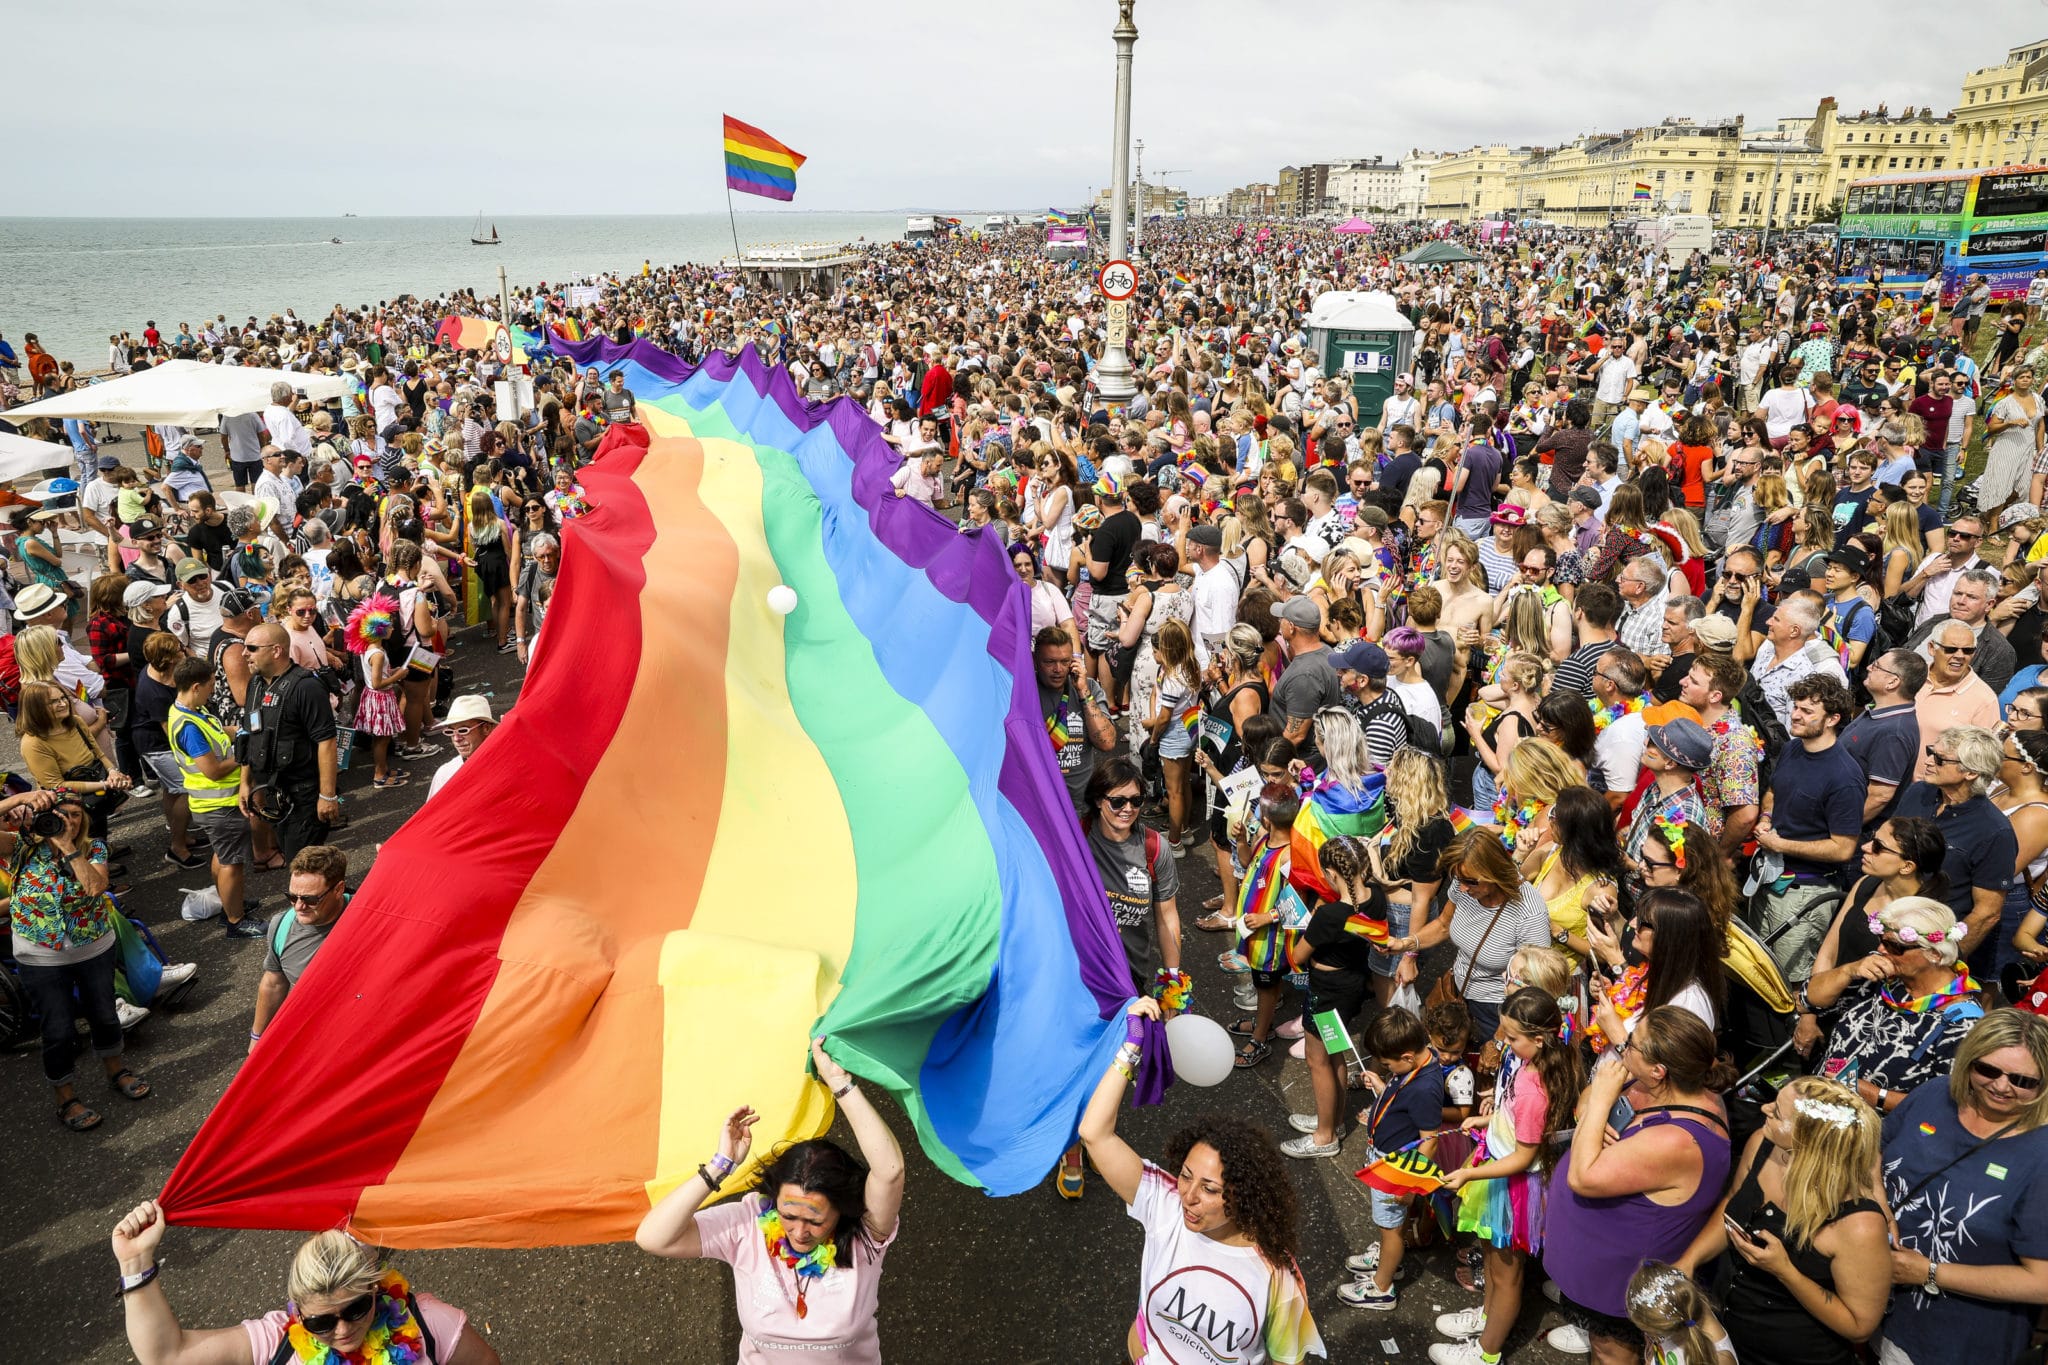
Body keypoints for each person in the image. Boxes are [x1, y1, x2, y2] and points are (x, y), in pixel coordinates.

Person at [1077, 997, 1326, 1365]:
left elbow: (1288, 1359)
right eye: (1185, 1176)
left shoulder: (1275, 1273)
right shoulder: (1164, 1205)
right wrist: (1130, 1046)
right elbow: (1094, 1133)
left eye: (1210, 1189)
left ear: (1244, 1194)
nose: (1188, 1197)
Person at [635, 1037, 905, 1363]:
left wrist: (840, 1083)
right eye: (788, 1215)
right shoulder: (747, 1225)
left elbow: (889, 1171)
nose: (800, 1231)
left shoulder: (867, 1236)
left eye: (815, 1220)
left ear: (842, 1210)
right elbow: (652, 1238)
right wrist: (720, 1165)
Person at [1543, 1007, 1735, 1364]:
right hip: (1597, 1263)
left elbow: (1583, 1177)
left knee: (1612, 1354)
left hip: (1620, 1279)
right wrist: (1594, 1115)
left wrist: (1601, 1099)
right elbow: (1584, 1103)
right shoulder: (1659, 1086)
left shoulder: (1678, 1140)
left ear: (1659, 1070)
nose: (1623, 1046)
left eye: (1631, 1043)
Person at [110, 1201, 500, 1364]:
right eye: (321, 1323)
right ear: (299, 1313)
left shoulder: (429, 1323)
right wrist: (135, 1262)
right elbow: (166, 1355)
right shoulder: (276, 1340)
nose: (344, 1330)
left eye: (356, 1309)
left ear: (375, 1289)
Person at [1677, 1075, 1890, 1365]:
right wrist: (1690, 1260)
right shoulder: (1763, 1144)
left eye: (1776, 1112)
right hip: (1729, 1331)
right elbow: (1733, 1203)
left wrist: (1785, 1271)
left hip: (1795, 1355)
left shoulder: (1859, 1222)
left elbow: (1859, 1326)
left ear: (1807, 1138)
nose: (1764, 1109)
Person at [1879, 1008, 2048, 1365]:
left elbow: (2042, 1282)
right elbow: (1871, 1157)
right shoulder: (1935, 1095)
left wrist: (1929, 1272)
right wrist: (1880, 1208)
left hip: (1950, 1343)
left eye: (2022, 1081)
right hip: (1869, 1304)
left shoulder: (2042, 1155)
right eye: (1987, 1070)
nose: (2002, 1086)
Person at [1430, 987, 1585, 1365]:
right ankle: (1486, 1320)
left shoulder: (1535, 1089)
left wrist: (1469, 1174)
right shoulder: (1533, 1065)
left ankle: (1486, 1352)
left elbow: (1523, 1156)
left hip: (1511, 1187)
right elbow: (1515, 1123)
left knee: (1506, 1275)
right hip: (1497, 1172)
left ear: (1539, 1038)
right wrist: (1487, 1119)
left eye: (1512, 1037)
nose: (1505, 1043)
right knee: (1492, 1262)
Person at [4, 786, 155, 1132]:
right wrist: (16, 800)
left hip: (93, 949)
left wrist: (68, 847)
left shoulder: (94, 847)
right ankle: (66, 1098)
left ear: (84, 819)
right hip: (38, 956)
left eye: (75, 815)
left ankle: (115, 1070)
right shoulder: (21, 848)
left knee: (104, 1015)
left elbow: (94, 887)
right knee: (57, 1030)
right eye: (60, 816)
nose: (67, 821)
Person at [1807, 895, 1984, 1116]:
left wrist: (1870, 1093)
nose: (1881, 949)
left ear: (1934, 954)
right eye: (1881, 940)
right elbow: (1807, 1000)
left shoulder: (1962, 1023)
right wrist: (1848, 970)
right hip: (1817, 1102)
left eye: (1894, 946)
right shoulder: (1881, 975)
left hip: (1873, 1131)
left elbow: (1946, 1106)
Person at [1384, 827, 1551, 1042]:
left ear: (1494, 872)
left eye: (1470, 881)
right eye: (1457, 878)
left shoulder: (1529, 912)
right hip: (1458, 995)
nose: (1462, 888)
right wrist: (1405, 944)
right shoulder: (1466, 878)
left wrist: (1501, 1038)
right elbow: (1444, 924)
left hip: (1497, 1012)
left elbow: (1534, 988)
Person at [1754, 674, 1866, 982]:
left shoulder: (1845, 777)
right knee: (1758, 971)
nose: (1795, 715)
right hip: (1769, 879)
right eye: (1796, 707)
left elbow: (1843, 848)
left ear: (1833, 719)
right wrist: (1766, 818)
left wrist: (1781, 845)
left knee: (1789, 978)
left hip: (1805, 893)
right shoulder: (1793, 748)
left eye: (1807, 711)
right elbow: (1775, 792)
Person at [1337, 1004, 1447, 1310]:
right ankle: (1388, 1258)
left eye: (1388, 1064)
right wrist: (1384, 1085)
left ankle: (1382, 1287)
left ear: (1408, 1057)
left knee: (1391, 1227)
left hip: (1396, 1169)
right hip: (1387, 1159)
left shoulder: (1425, 1087)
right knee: (1388, 1223)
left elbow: (1430, 1142)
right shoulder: (1414, 1069)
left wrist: (1410, 1187)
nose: (1386, 1067)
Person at [1895, 726, 2018, 972]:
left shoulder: (1994, 831)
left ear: (1971, 772)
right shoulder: (1918, 792)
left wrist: (1945, 958)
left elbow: (1987, 912)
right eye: (1931, 752)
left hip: (1933, 942)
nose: (1929, 761)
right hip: (1887, 920)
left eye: (1940, 759)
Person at [165, 655, 264, 936]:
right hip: (219, 805)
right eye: (210, 685)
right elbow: (213, 771)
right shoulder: (190, 727)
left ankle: (231, 904)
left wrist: (242, 732)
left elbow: (220, 732)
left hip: (214, 806)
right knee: (233, 864)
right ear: (196, 686)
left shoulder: (192, 712)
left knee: (222, 856)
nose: (214, 689)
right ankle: (235, 920)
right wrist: (247, 752)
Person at [237, 622, 340, 862]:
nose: (244, 654)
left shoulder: (306, 687)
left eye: (251, 648)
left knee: (302, 862)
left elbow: (326, 742)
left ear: (276, 650)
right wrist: (247, 783)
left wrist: (327, 796)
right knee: (296, 858)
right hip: (274, 792)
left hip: (304, 794)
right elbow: (250, 734)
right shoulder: (256, 683)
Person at [249, 845, 350, 1052]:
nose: (298, 907)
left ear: (339, 889)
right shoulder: (281, 925)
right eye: (292, 897)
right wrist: (256, 1039)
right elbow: (274, 983)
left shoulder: (368, 917)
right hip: (318, 1040)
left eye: (310, 899)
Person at [1035, 625, 1117, 817]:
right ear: (1035, 661)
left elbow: (1107, 743)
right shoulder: (1025, 692)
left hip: (1080, 807)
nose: (1058, 669)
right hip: (1041, 804)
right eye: (1050, 662)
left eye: (1065, 661)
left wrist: (1082, 692)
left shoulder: (1088, 688)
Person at [427, 694, 496, 800]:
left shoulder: (507, 765)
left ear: (486, 728)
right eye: (450, 732)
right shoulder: (446, 774)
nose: (456, 738)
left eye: (463, 730)